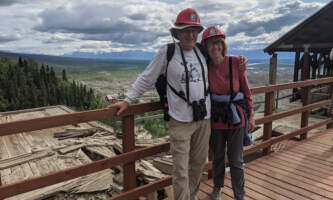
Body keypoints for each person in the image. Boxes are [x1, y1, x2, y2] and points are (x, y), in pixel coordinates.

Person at [109, 9, 247, 200]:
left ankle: (192, 196)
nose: (191, 35)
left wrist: (239, 62)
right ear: (177, 33)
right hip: (180, 121)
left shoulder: (201, 51)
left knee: (198, 165)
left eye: (194, 31)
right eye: (186, 30)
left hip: (204, 119)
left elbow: (220, 58)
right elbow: (147, 78)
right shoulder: (168, 52)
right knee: (181, 170)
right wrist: (128, 100)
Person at [200, 26, 255, 200]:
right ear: (206, 47)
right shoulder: (205, 66)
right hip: (216, 119)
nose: (214, 47)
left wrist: (251, 115)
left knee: (236, 159)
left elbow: (246, 91)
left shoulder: (236, 63)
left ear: (223, 45)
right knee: (217, 157)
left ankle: (240, 194)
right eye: (210, 44)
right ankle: (217, 188)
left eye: (217, 43)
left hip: (236, 118)